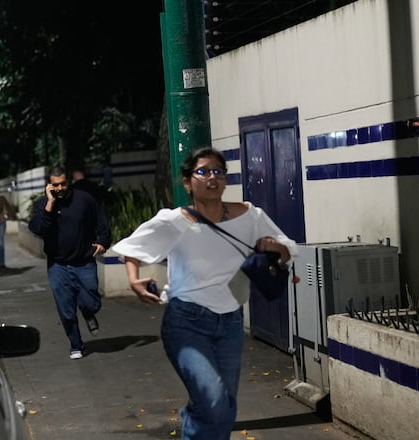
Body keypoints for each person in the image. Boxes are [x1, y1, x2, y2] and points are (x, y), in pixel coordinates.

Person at [112, 147, 297, 439]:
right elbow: (131, 248)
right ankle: (195, 420)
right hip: (186, 322)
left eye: (218, 172)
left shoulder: (251, 216)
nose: (212, 177)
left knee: (224, 405)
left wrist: (277, 247)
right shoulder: (174, 221)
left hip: (231, 323)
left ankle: (196, 423)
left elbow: (288, 248)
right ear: (187, 182)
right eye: (203, 171)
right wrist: (134, 280)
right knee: (212, 400)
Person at [28, 166, 111, 360]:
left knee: (91, 303)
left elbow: (102, 224)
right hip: (58, 266)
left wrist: (103, 242)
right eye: (55, 185)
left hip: (85, 261)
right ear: (49, 185)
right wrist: (50, 203)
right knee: (66, 310)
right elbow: (38, 229)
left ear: (69, 182)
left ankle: (88, 312)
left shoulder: (84, 200)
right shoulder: (44, 205)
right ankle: (76, 344)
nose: (60, 188)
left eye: (63, 183)